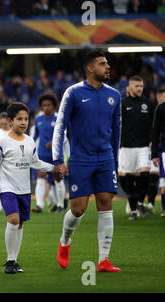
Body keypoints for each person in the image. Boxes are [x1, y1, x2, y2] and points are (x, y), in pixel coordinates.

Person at [52, 49, 121, 272]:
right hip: (81, 159)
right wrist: (58, 159)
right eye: (102, 64)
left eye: (107, 63)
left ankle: (103, 260)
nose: (107, 67)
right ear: (90, 68)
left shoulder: (114, 95)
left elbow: (116, 131)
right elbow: (60, 125)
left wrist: (115, 162)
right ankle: (65, 241)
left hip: (105, 158)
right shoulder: (73, 93)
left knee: (105, 204)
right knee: (78, 209)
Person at [0, 102, 54, 274]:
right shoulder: (1, 140)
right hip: (7, 188)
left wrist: (54, 168)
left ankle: (14, 260)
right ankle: (9, 260)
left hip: (24, 189)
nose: (23, 122)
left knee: (20, 223)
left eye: (26, 119)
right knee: (14, 220)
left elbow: (35, 162)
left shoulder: (30, 141)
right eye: (19, 119)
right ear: (10, 121)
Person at [118, 76, 155, 220]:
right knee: (128, 177)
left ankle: (140, 202)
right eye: (137, 86)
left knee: (145, 174)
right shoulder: (122, 104)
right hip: (126, 147)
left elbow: (154, 125)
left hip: (144, 146)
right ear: (129, 87)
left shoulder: (148, 104)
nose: (139, 88)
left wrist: (152, 139)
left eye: (141, 86)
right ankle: (133, 209)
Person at [33, 93, 67, 213]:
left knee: (58, 178)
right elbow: (35, 136)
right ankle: (39, 205)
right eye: (44, 105)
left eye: (48, 105)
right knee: (41, 177)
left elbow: (65, 136)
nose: (46, 107)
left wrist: (54, 142)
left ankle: (60, 205)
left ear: (54, 106)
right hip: (42, 154)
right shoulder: (38, 119)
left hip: (56, 155)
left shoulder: (59, 118)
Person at [151, 87, 165, 217]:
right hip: (164, 151)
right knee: (164, 184)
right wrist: (154, 154)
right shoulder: (160, 109)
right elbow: (155, 132)